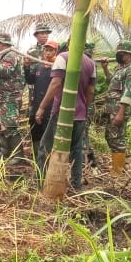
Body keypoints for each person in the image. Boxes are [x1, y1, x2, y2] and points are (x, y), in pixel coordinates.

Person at [35, 45, 96, 191]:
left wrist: (42, 107)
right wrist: (82, 107)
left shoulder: (62, 58)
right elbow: (91, 91)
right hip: (80, 114)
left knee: (45, 147)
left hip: (63, 113)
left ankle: (40, 184)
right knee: (76, 150)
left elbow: (55, 83)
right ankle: (77, 186)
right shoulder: (91, 63)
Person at [101, 40, 131, 176]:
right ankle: (117, 166)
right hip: (111, 109)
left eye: (121, 54)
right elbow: (112, 82)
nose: (118, 56)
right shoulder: (119, 68)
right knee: (110, 137)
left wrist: (120, 113)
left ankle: (118, 170)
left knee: (117, 138)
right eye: (118, 53)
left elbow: (128, 93)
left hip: (119, 110)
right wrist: (105, 68)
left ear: (128, 55)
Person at [0, 32, 24, 159]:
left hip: (10, 98)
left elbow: (6, 71)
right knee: (4, 126)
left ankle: (18, 156)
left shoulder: (10, 55)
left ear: (2, 44)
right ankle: (5, 153)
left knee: (11, 126)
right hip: (4, 98)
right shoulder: (7, 55)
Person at [26, 33, 57, 170]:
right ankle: (37, 162)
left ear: (56, 52)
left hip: (49, 108)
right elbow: (30, 80)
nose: (48, 52)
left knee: (47, 136)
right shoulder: (39, 66)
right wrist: (26, 67)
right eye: (46, 49)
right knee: (35, 134)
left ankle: (46, 164)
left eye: (51, 50)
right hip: (36, 105)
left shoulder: (57, 67)